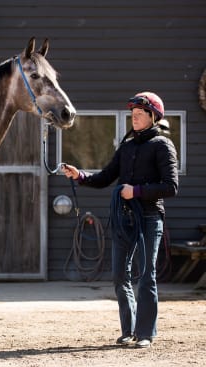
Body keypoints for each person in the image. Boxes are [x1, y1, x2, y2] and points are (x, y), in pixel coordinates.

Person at [62, 92, 178, 348]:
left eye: (139, 115)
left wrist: (136, 191)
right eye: (132, 115)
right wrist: (79, 175)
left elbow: (171, 186)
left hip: (149, 217)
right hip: (124, 219)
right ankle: (129, 330)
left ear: (153, 117)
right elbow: (105, 177)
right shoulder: (126, 147)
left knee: (147, 276)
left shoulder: (162, 145)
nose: (134, 118)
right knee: (119, 274)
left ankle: (146, 333)